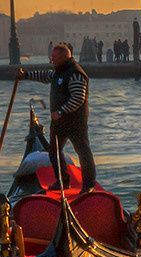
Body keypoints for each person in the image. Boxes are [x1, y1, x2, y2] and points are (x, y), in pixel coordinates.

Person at [32, 43, 96, 190]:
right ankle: (62, 182)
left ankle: (88, 185)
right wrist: (25, 75)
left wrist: (61, 112)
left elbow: (78, 98)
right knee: (54, 151)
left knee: (83, 151)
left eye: (54, 57)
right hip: (59, 121)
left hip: (75, 121)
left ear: (63, 57)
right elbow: (45, 76)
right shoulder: (58, 72)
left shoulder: (75, 73)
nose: (51, 60)